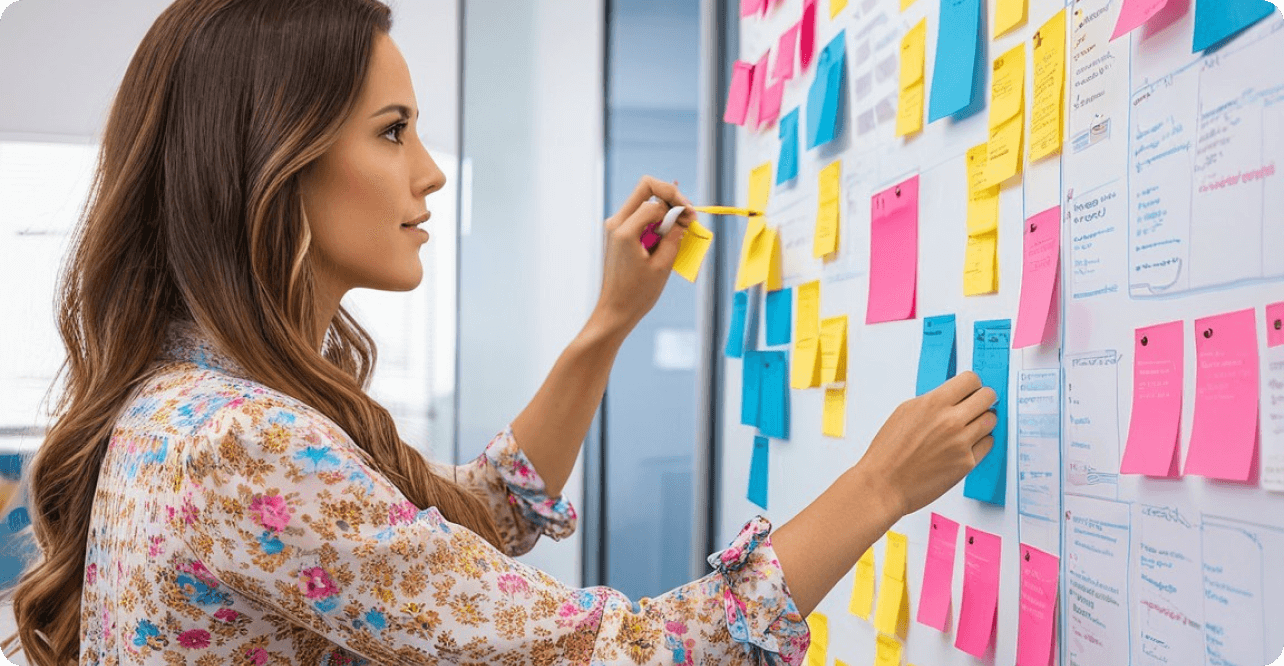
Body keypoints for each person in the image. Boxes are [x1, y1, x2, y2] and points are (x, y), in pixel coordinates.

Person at [1, 0, 998, 664]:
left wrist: (609, 324)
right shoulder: (239, 443)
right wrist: (877, 486)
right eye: (392, 131)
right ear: (274, 160)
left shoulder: (182, 403)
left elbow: (473, 521)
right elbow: (617, 656)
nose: (430, 171)